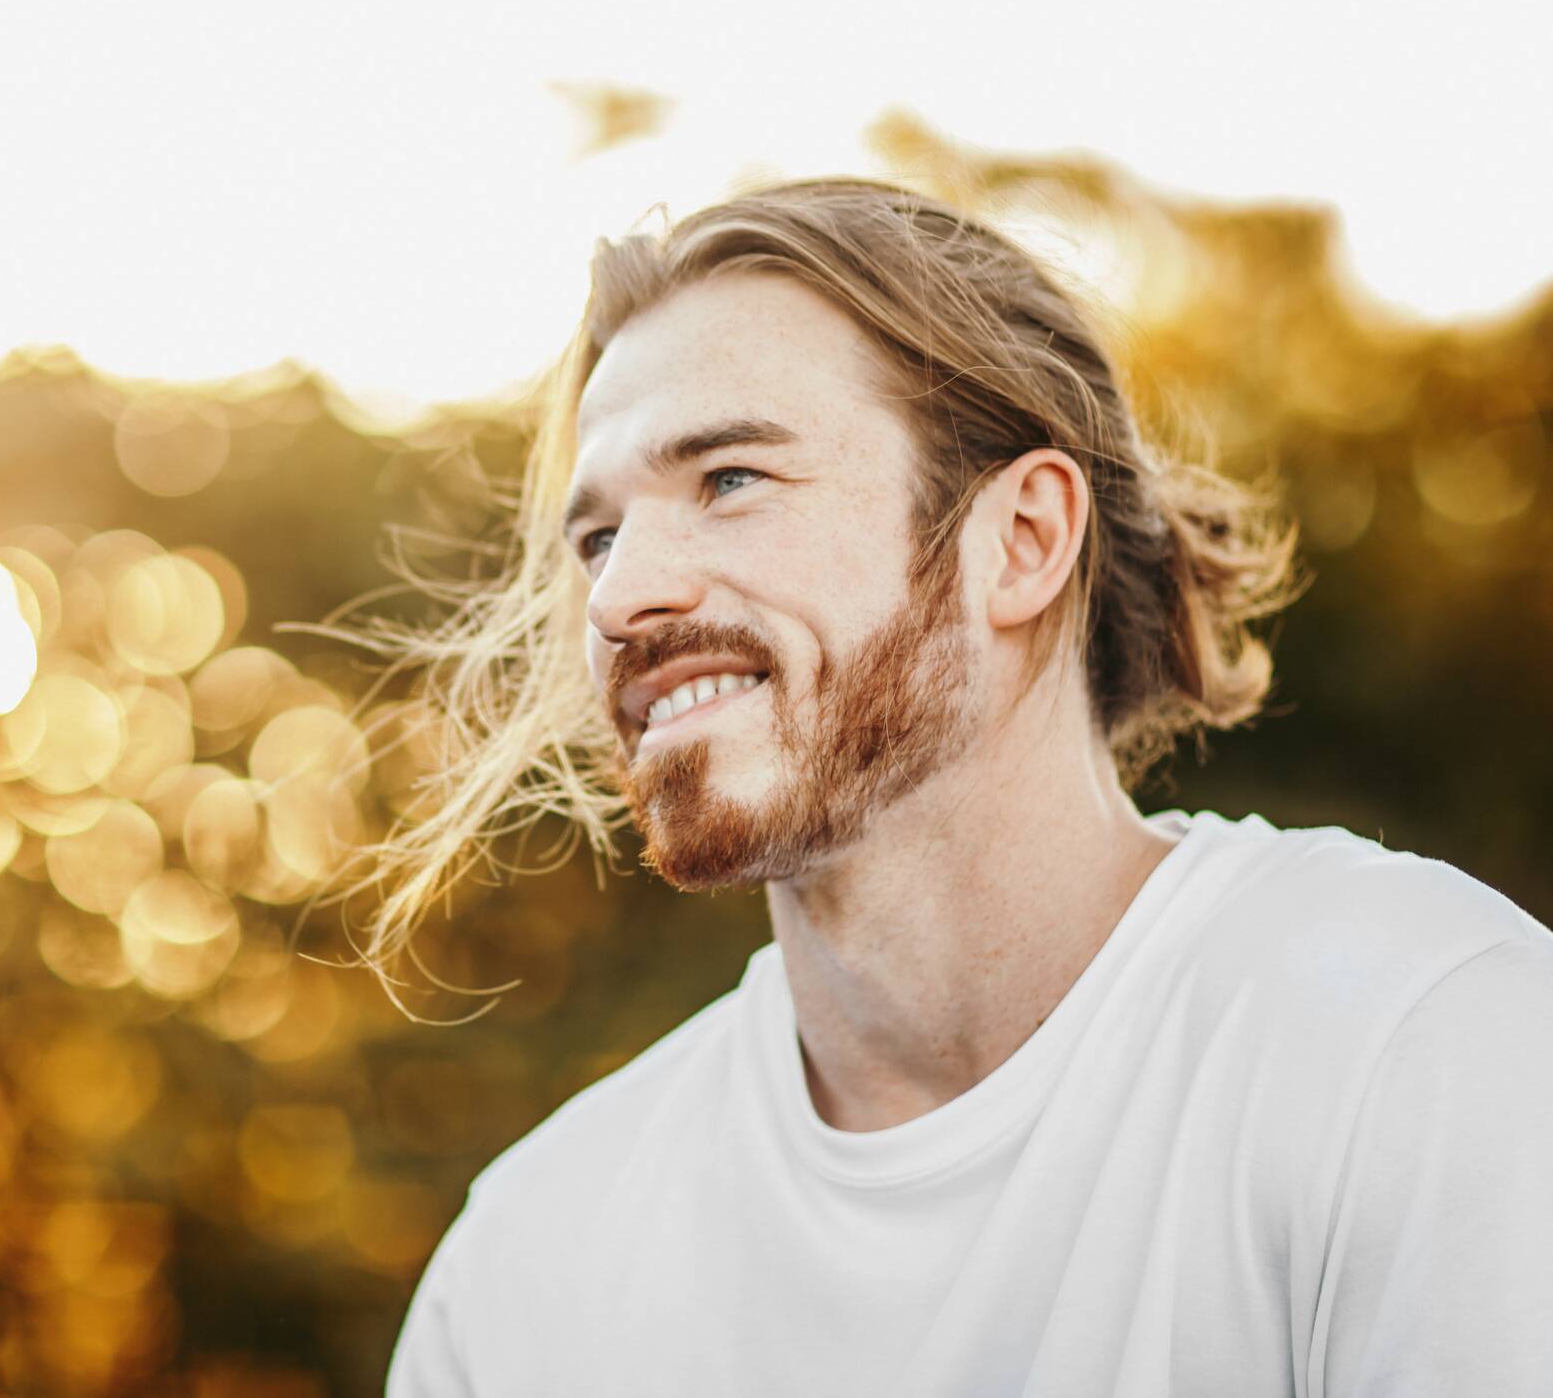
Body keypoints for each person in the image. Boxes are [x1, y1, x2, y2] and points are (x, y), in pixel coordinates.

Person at [375, 180, 1553, 1395]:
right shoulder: (525, 1276)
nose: (619, 599)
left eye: (729, 479)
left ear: (1022, 540)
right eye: (599, 541)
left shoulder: (1422, 1049)